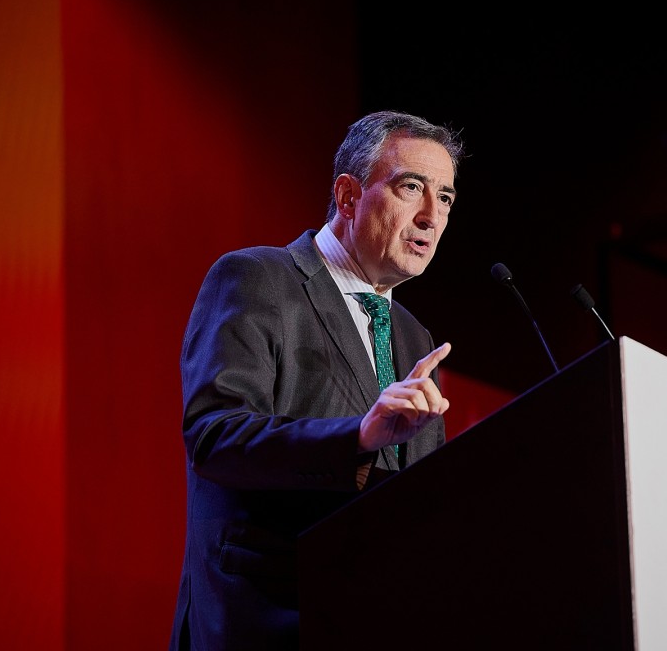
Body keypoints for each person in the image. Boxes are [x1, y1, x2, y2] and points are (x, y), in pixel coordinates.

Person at [169, 110, 464, 650]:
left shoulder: (415, 338)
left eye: (444, 197)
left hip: (373, 620)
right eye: (411, 187)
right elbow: (215, 436)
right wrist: (357, 438)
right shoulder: (257, 278)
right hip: (268, 618)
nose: (431, 216)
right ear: (348, 196)